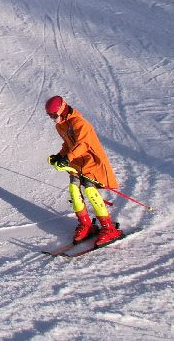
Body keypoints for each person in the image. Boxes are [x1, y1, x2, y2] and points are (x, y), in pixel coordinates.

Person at [45, 96, 122, 246]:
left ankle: (109, 228)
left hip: (91, 162)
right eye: (50, 116)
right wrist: (59, 156)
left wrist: (67, 158)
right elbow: (68, 144)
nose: (53, 119)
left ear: (62, 110)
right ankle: (86, 224)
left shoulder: (79, 123)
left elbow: (83, 145)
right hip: (76, 163)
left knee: (90, 191)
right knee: (74, 189)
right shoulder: (60, 125)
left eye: (54, 115)